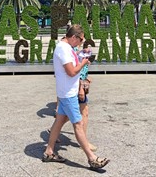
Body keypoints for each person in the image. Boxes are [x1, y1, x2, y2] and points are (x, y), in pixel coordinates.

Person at [42, 24, 110, 170]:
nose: (81, 42)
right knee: (78, 124)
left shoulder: (67, 48)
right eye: (80, 40)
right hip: (68, 94)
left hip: (66, 92)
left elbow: (72, 62)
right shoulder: (63, 49)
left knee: (59, 122)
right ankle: (92, 159)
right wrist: (84, 62)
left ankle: (49, 151)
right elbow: (72, 72)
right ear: (73, 37)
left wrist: (81, 55)